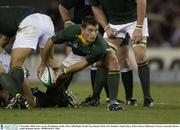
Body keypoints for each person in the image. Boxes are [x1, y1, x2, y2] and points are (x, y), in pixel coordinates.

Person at [58, 0, 135, 106]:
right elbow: (62, 6)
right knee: (79, 62)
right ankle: (62, 95)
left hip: (108, 28)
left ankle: (124, 98)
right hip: (81, 33)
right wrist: (67, 20)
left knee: (117, 61)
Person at [38, 16, 123, 111]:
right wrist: (43, 63)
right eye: (90, 30)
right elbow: (50, 41)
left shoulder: (100, 46)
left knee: (112, 61)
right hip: (77, 53)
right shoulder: (72, 31)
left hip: (94, 54)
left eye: (96, 31)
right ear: (82, 29)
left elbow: (83, 64)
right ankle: (58, 97)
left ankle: (113, 102)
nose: (94, 34)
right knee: (57, 80)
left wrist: (64, 71)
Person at [89, 0, 153, 107]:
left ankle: (147, 97)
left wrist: (139, 27)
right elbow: (95, 7)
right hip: (114, 23)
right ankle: (95, 98)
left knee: (140, 54)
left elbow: (141, 1)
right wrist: (106, 27)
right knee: (105, 58)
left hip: (135, 20)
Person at [0, 6, 57, 109]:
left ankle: (29, 101)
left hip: (30, 22)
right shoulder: (8, 14)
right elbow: (4, 41)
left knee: (15, 64)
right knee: (50, 61)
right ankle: (60, 94)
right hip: (46, 20)